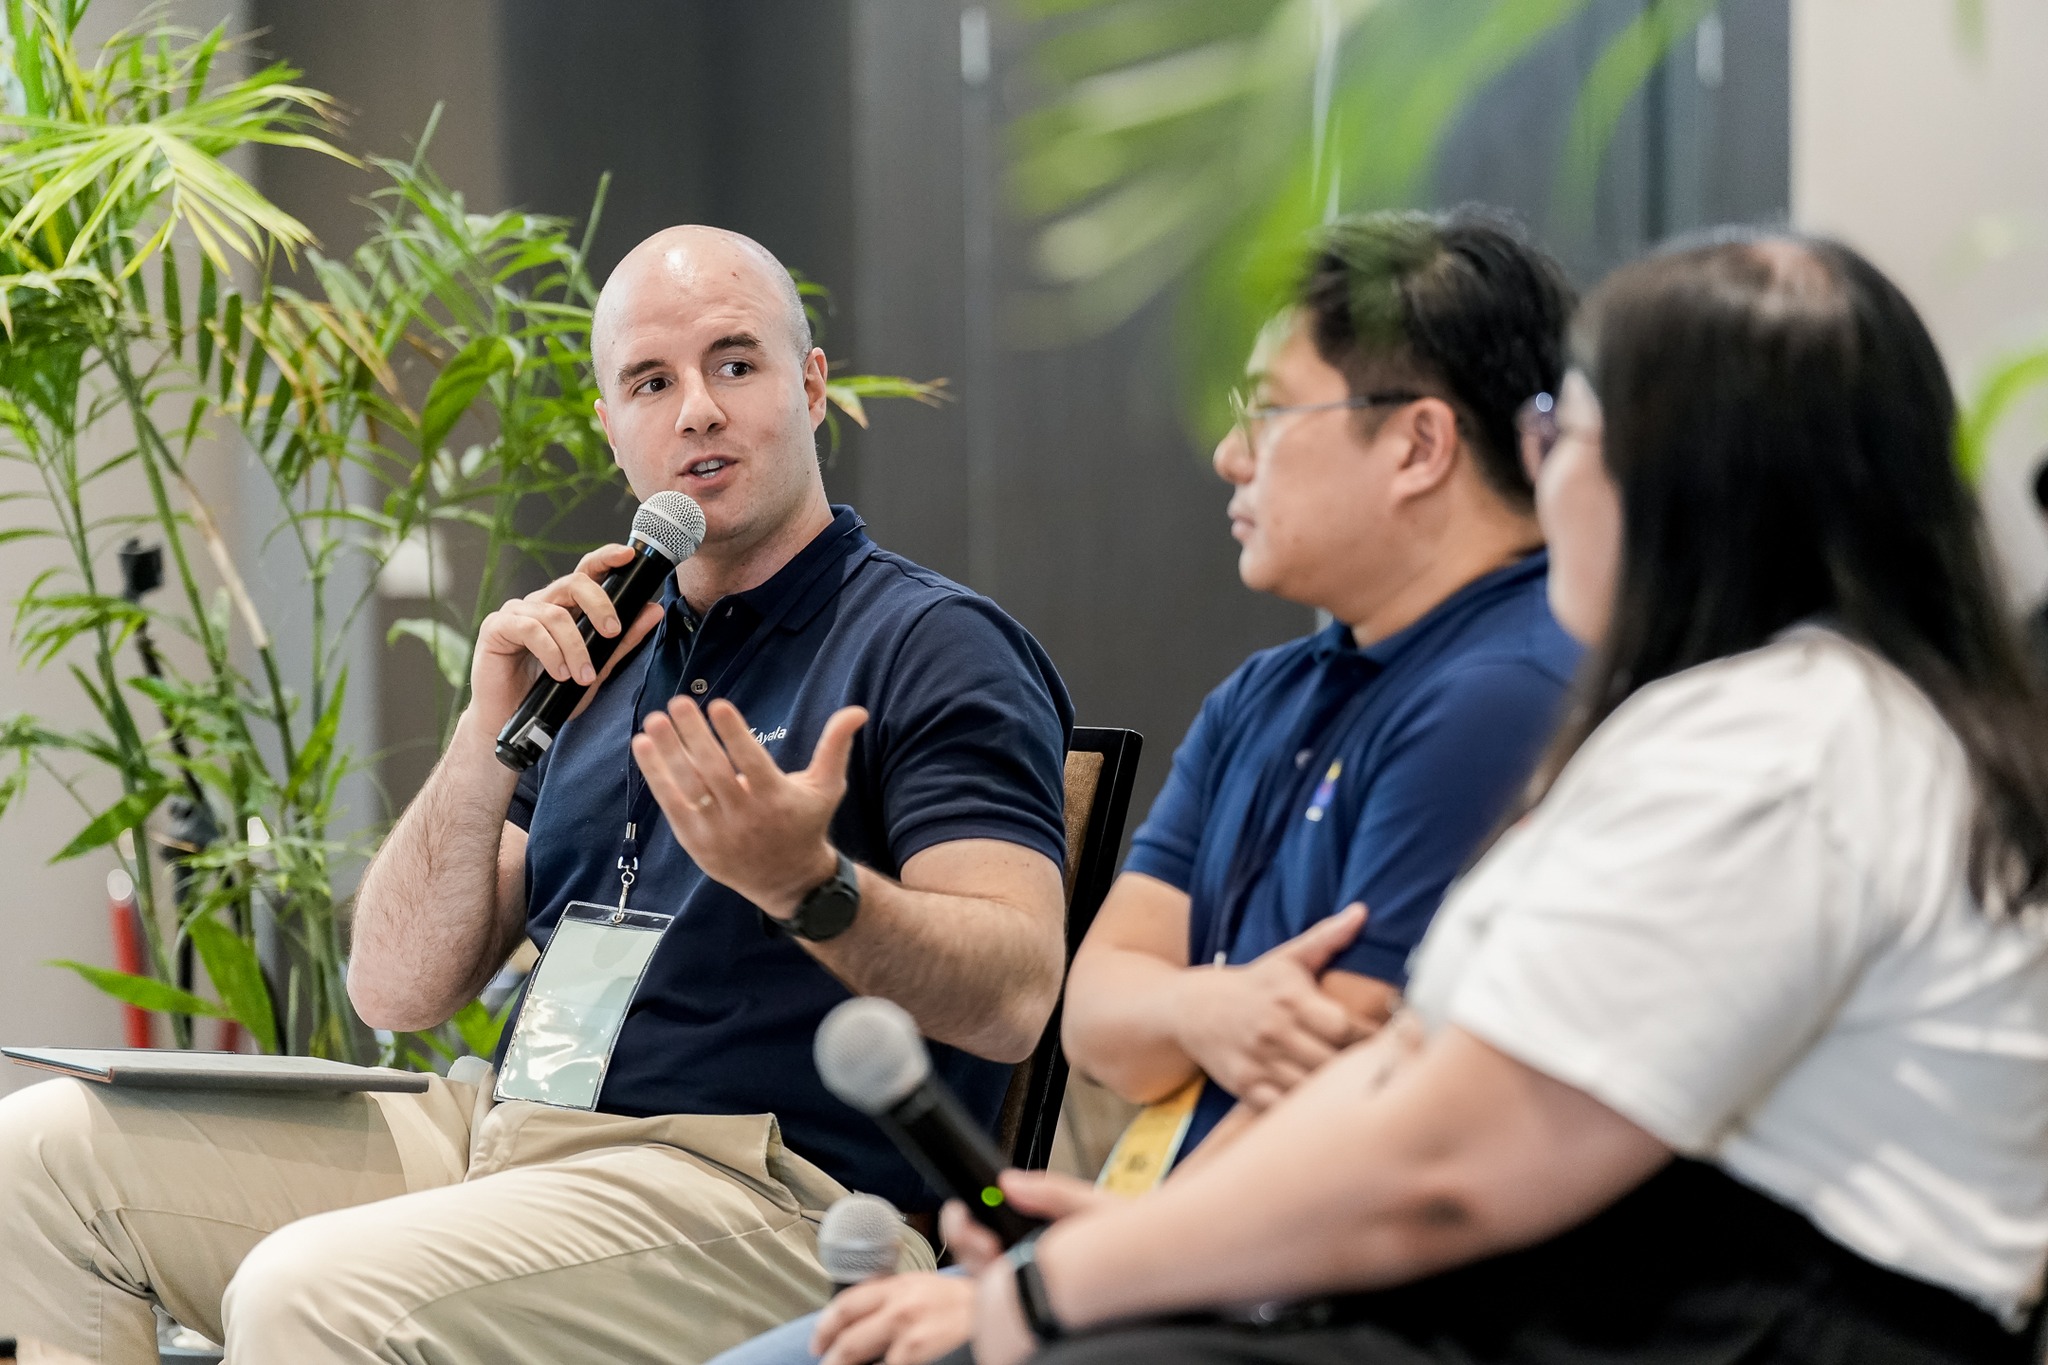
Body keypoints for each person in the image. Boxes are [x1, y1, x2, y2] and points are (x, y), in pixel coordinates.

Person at [949, 231, 2048, 1365]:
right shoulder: (1740, 718)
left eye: (1557, 435)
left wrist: (1070, 1287)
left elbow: (1445, 1165)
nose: (1539, 476)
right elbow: (1407, 1069)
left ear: (1683, 478)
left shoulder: (1786, 746)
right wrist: (1137, 1248)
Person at [0, 226, 1075, 1364]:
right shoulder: (599, 658)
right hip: (509, 1136)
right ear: (613, 428)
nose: (696, 411)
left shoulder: (928, 643)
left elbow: (1014, 994)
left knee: (314, 1291)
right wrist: (485, 729)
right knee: (39, 1163)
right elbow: (398, 987)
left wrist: (808, 886)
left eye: (736, 363)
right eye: (651, 383)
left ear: (809, 389)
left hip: (762, 1193)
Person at [714, 206, 1582, 1365]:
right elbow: (1099, 1016)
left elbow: (1344, 1103)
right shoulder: (1266, 692)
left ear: (1418, 447)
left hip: (1293, 1292)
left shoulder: (1504, 693)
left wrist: (1082, 1278)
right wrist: (1200, 1012)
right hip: (1162, 1248)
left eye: (1268, 413)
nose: (1230, 456)